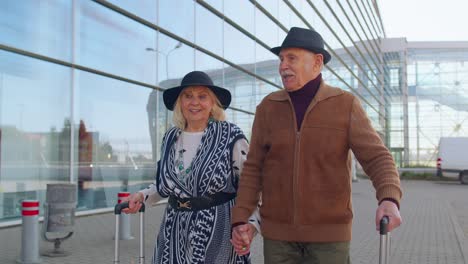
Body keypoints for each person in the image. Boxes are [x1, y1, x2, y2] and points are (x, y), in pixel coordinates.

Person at [231, 27, 403, 263]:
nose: (283, 65)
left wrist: (389, 199)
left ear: (317, 62)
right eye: (281, 59)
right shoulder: (267, 108)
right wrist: (241, 218)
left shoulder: (345, 104)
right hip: (278, 239)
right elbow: (253, 169)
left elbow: (377, 157)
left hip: (329, 240)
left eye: (292, 58)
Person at [122, 71, 259, 264]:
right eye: (188, 96)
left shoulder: (229, 134)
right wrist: (142, 196)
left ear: (212, 103)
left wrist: (251, 224)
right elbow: (165, 184)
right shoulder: (170, 137)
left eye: (202, 96)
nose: (194, 102)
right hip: (174, 229)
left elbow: (251, 183)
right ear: (180, 102)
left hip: (218, 229)